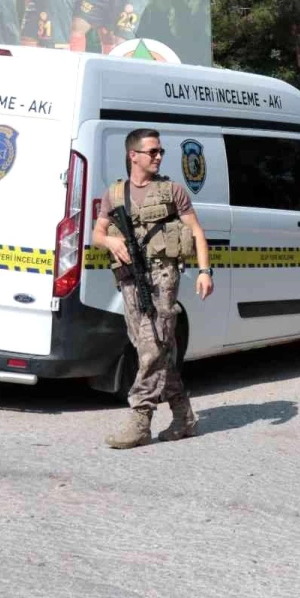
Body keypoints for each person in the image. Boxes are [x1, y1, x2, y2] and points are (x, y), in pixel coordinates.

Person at [92, 129, 214, 449]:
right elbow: (97, 234)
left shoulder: (172, 191)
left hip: (161, 278)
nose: (158, 156)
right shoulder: (115, 194)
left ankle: (140, 418)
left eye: (161, 152)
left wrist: (204, 272)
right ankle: (183, 416)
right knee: (155, 348)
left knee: (152, 348)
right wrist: (111, 240)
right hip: (130, 280)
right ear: (133, 155)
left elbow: (197, 232)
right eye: (152, 152)